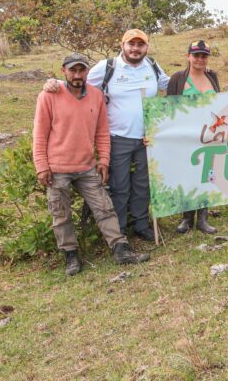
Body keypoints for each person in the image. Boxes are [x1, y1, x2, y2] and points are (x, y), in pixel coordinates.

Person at [43, 29, 170, 241]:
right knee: (119, 187)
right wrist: (52, 82)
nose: (135, 49)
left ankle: (141, 224)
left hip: (147, 138)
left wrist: (198, 73)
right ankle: (118, 232)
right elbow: (77, 81)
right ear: (122, 45)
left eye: (140, 45)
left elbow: (171, 84)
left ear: (146, 47)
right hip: (117, 137)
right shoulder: (108, 67)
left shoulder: (153, 66)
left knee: (143, 184)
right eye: (131, 44)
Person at [33, 53, 150, 275]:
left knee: (104, 207)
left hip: (87, 166)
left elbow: (103, 133)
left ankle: (120, 249)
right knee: (60, 214)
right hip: (57, 168)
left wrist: (103, 160)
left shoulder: (96, 96)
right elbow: (40, 134)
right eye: (73, 70)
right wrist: (42, 166)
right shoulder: (48, 96)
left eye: (81, 70)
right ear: (64, 71)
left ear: (88, 72)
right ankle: (71, 256)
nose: (77, 75)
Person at [167, 40, 222, 234]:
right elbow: (169, 109)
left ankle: (203, 218)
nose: (200, 59)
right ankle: (187, 218)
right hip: (185, 136)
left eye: (203, 55)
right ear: (188, 56)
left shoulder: (213, 77)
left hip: (208, 135)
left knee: (206, 173)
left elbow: (218, 105)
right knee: (186, 173)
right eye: (196, 55)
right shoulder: (177, 79)